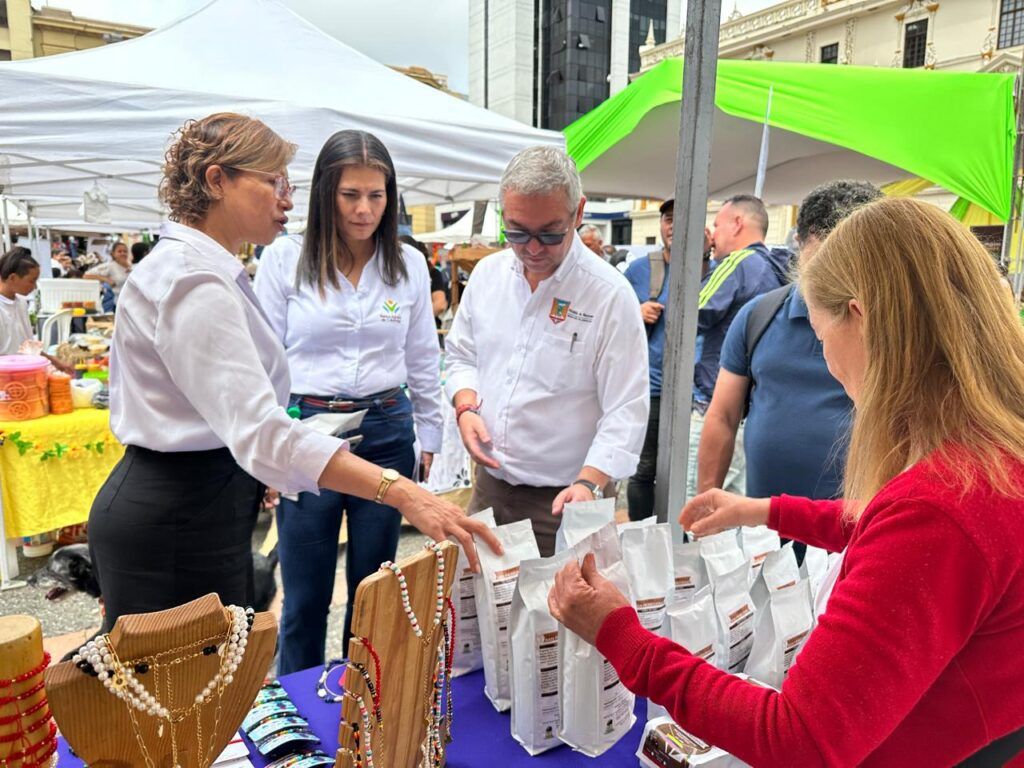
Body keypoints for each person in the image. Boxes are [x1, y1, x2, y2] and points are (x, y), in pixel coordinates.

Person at [548, 197, 1024, 765]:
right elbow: (883, 531)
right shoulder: (990, 455)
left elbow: (797, 738)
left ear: (863, 318)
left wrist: (621, 636)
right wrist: (764, 511)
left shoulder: (943, 503)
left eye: (823, 336)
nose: (827, 363)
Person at [90, 113, 499, 635]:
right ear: (219, 181)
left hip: (217, 488)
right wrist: (401, 491)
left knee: (211, 674)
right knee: (188, 683)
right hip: (185, 506)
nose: (286, 197)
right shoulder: (197, 281)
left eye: (288, 183)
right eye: (273, 181)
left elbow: (416, 356)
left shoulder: (209, 272)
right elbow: (261, 425)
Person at [254, 130, 447, 673]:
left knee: (373, 586)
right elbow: (264, 361)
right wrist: (266, 452)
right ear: (324, 194)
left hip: (387, 429)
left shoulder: (406, 263)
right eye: (350, 195)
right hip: (306, 429)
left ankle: (360, 702)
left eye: (376, 195)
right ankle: (296, 711)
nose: (364, 210)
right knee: (305, 590)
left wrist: (428, 436)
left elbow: (422, 357)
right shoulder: (286, 257)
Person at [445, 145, 649, 556]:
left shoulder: (609, 296)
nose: (533, 248)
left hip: (568, 499)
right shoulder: (487, 276)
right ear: (503, 214)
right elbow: (462, 354)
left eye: (551, 234)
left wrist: (590, 482)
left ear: (578, 213)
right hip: (490, 487)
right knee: (478, 612)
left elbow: (626, 407)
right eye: (517, 232)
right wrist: (465, 407)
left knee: (558, 618)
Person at [697, 181, 882, 558]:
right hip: (766, 535)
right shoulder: (759, 316)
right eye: (825, 260)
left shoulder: (890, 327)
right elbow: (722, 415)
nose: (835, 278)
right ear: (801, 244)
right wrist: (707, 501)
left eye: (849, 262)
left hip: (856, 537)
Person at [680, 194, 784, 502]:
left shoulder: (739, 262)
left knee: (694, 504)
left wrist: (695, 259)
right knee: (737, 511)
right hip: (752, 410)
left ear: (738, 224)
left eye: (717, 224)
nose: (713, 236)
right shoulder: (775, 268)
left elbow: (690, 311)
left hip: (716, 405)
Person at [0, 247, 39, 355]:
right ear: (12, 278)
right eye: (32, 281)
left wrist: (52, 360)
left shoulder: (21, 302)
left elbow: (27, 344)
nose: (34, 287)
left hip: (25, 368)